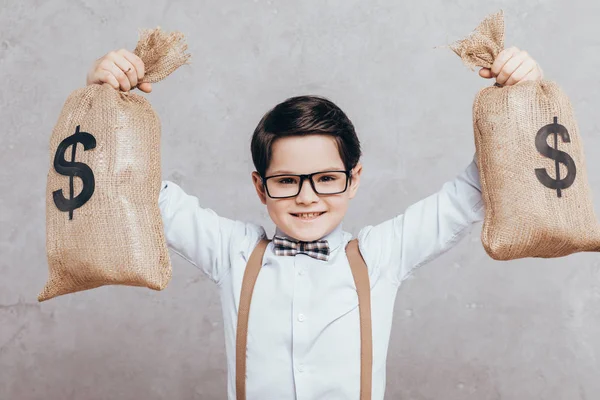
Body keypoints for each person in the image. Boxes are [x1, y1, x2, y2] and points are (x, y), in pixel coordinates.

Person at [86, 46, 543, 399]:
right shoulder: (234, 252)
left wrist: (520, 99)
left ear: (354, 178)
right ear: (260, 186)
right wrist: (104, 98)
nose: (307, 197)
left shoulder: (380, 255)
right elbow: (139, 188)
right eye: (286, 180)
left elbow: (470, 194)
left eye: (326, 178)